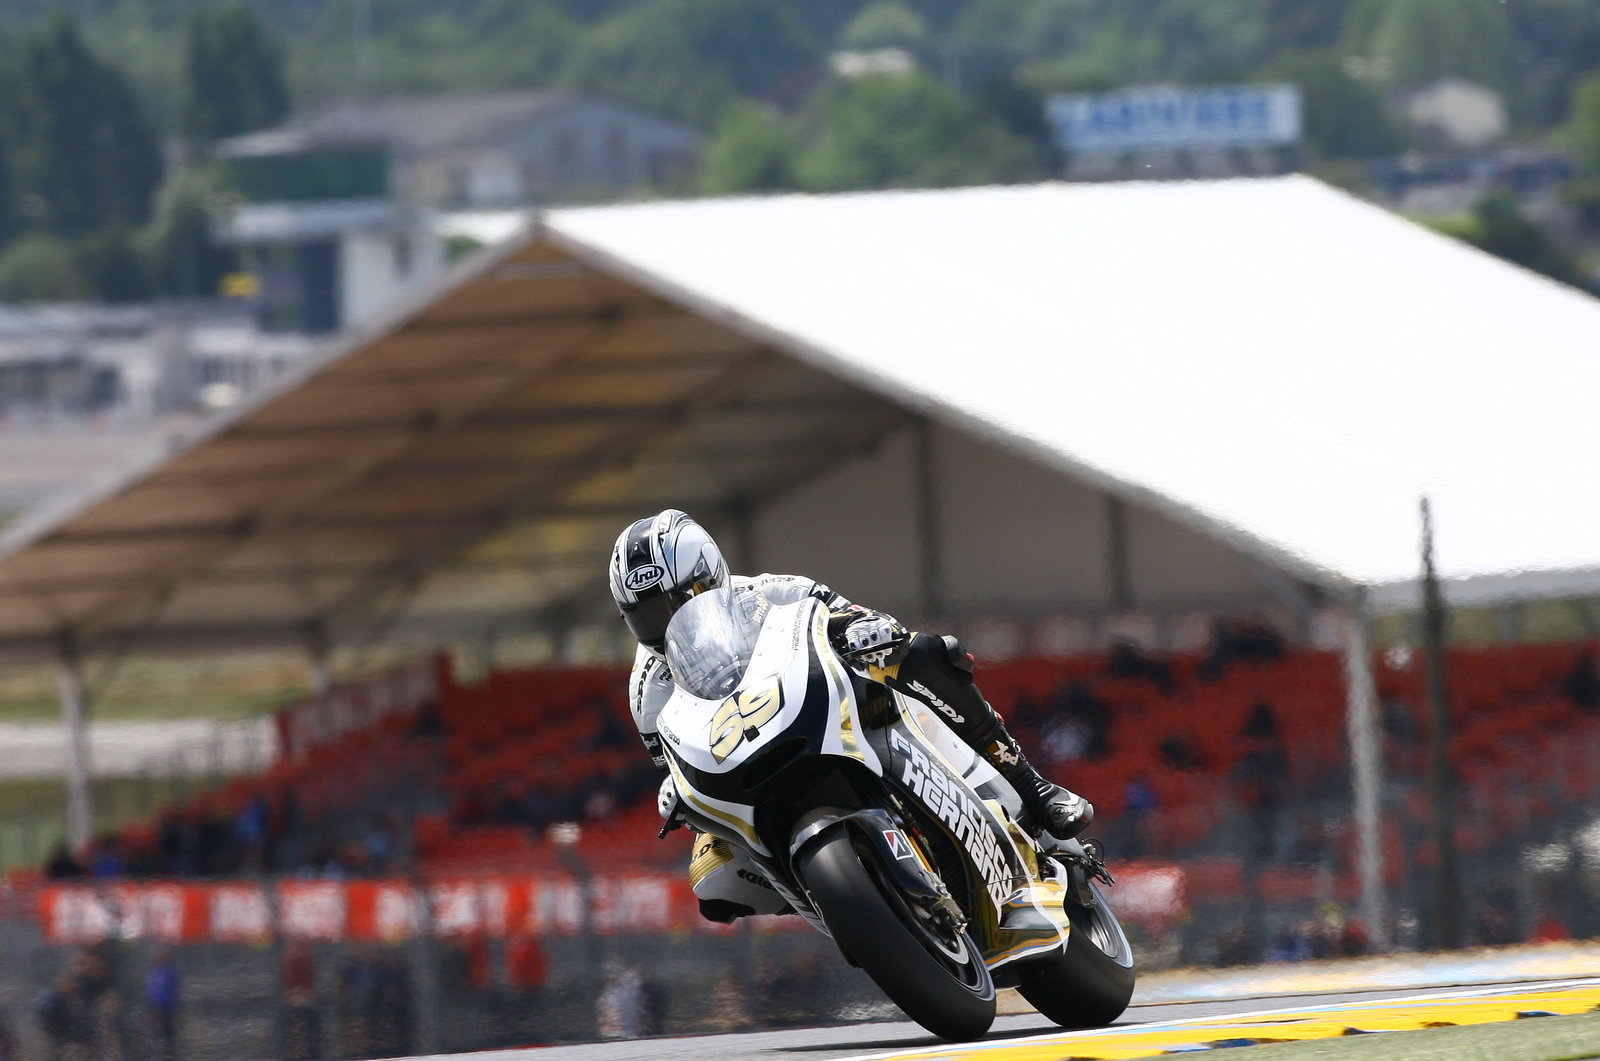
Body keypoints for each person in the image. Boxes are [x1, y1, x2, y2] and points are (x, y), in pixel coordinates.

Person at [608, 509, 1094, 922]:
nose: (668, 621)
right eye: (649, 615)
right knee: (711, 880)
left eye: (679, 601)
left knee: (927, 654)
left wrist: (869, 629)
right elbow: (675, 759)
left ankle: (1035, 789)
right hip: (748, 762)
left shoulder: (771, 591)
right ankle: (842, 902)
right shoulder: (647, 688)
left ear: (710, 573)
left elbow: (855, 617)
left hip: (833, 708)